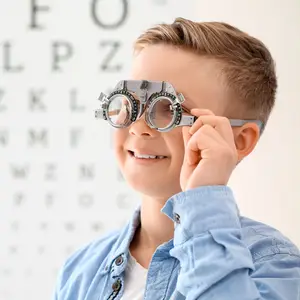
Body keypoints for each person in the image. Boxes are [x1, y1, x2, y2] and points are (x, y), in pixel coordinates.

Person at [53, 18, 300, 300]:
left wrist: (205, 196)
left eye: (168, 108)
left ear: (239, 140)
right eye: (128, 101)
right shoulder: (81, 271)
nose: (138, 126)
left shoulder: (272, 264)